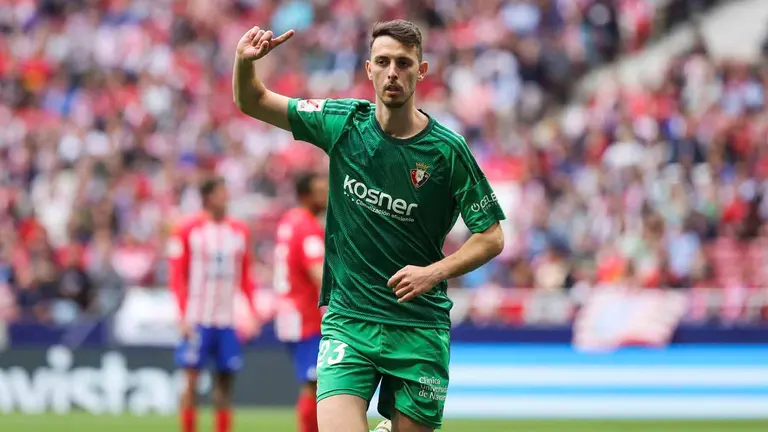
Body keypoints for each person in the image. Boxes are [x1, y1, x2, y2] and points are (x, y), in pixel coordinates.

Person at [233, 19, 506, 432]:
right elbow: (252, 100)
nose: (393, 72)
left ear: (422, 70)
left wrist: (434, 272)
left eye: (403, 62)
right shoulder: (342, 122)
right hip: (349, 322)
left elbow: (492, 236)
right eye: (383, 61)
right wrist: (243, 62)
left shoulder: (448, 152)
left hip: (419, 328)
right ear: (369, 69)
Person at [168, 176, 259, 432]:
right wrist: (182, 315)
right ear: (208, 198)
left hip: (227, 320)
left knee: (225, 384)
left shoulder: (239, 230)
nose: (226, 198)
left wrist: (250, 312)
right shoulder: (187, 229)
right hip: (198, 318)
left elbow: (246, 275)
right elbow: (177, 277)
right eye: (221, 194)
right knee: (191, 383)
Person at [274, 172, 329, 432]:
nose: (326, 196)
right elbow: (318, 274)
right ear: (306, 195)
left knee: (312, 383)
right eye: (320, 190)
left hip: (288, 314)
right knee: (315, 384)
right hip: (305, 316)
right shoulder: (307, 226)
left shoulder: (289, 221)